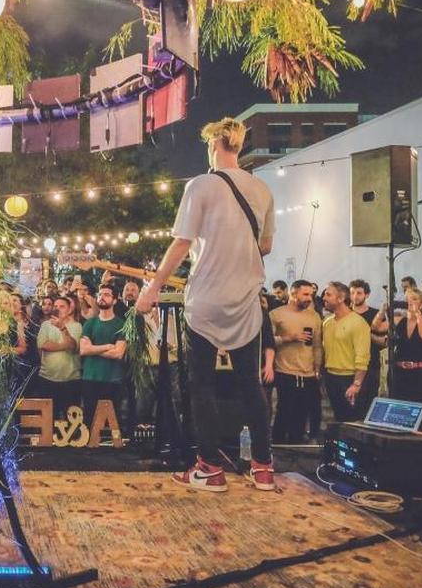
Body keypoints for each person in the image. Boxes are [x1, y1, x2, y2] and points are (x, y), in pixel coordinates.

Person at [137, 117, 276, 492]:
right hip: (247, 299)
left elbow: (181, 242)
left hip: (207, 298)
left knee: (202, 385)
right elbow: (265, 246)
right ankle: (263, 467)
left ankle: (210, 468)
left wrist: (153, 288)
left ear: (214, 144)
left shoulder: (201, 185)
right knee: (250, 385)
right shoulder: (262, 190)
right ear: (240, 146)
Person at [269, 280, 323, 444]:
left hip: (308, 373)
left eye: (311, 295)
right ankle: (277, 446)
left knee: (302, 412)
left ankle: (296, 446)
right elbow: (268, 341)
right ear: (293, 294)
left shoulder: (314, 316)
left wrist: (317, 368)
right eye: (305, 294)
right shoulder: (276, 314)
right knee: (284, 410)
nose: (309, 298)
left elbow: (317, 345)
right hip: (284, 370)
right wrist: (289, 338)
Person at [379, 288, 422, 422]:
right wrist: (382, 310)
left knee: (417, 414)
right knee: (398, 411)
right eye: (407, 300)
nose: (410, 302)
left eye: (414, 299)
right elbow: (376, 326)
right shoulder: (399, 320)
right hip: (399, 371)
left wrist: (417, 314)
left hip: (420, 372)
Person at [320, 282, 371, 424]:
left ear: (341, 298)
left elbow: (363, 357)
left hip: (349, 378)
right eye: (325, 294)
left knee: (353, 421)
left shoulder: (358, 323)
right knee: (338, 419)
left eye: (328, 294)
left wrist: (356, 384)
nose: (324, 297)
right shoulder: (327, 322)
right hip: (331, 377)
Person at [78, 284, 126, 424]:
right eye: (100, 294)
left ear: (115, 300)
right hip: (90, 378)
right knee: (89, 420)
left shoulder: (121, 324)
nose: (102, 297)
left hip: (112, 379)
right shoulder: (90, 323)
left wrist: (93, 348)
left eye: (107, 294)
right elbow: (83, 350)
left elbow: (118, 353)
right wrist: (107, 346)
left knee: (112, 423)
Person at [35, 296, 83, 419]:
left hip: (70, 379)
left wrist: (62, 328)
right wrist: (64, 345)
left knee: (71, 420)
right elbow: (43, 345)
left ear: (69, 310)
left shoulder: (77, 326)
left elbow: (73, 347)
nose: (58, 309)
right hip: (47, 379)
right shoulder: (45, 325)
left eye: (62, 306)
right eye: (55, 306)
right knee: (48, 420)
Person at [349, 280, 383, 418]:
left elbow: (384, 342)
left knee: (368, 404)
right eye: (352, 293)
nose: (355, 296)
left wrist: (368, 334)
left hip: (371, 364)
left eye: (359, 293)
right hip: (348, 364)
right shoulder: (346, 314)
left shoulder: (375, 314)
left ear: (367, 295)